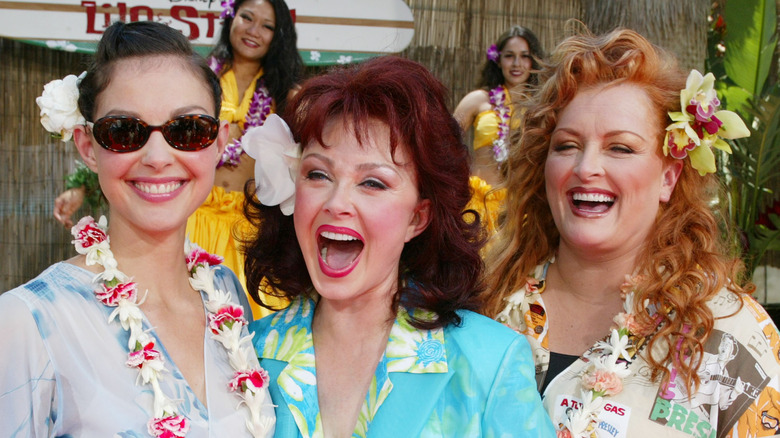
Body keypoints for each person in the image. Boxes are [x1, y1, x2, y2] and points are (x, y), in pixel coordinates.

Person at [482, 28, 780, 437]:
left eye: (620, 148)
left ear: (669, 178)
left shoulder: (730, 334)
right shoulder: (484, 305)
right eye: (566, 146)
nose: (586, 168)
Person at [241, 55, 555, 436]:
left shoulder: (488, 363)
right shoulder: (245, 355)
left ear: (418, 218)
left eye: (372, 182)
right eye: (318, 174)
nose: (336, 203)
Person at [1, 21, 274, 436]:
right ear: (88, 147)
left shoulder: (224, 292)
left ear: (219, 144)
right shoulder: (28, 322)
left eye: (188, 130)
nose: (158, 157)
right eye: (125, 131)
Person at [52, 0, 303, 319]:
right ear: (230, 19)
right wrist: (82, 189)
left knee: (244, 325)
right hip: (194, 215)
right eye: (247, 18)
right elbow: (126, 143)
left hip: (247, 221)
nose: (253, 31)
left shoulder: (287, 93)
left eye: (266, 25)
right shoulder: (194, 74)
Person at [454, 26, 544, 234]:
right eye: (509, 56)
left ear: (534, 61)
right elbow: (443, 141)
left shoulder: (540, 108)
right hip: (477, 201)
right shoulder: (479, 100)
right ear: (498, 60)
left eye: (524, 56)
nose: (517, 64)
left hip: (519, 206)